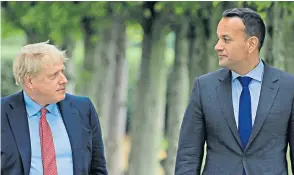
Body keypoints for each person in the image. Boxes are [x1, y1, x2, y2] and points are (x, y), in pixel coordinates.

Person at [175, 8, 294, 175]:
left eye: (226, 39)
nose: (217, 46)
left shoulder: (288, 87)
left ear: (251, 44)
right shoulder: (204, 87)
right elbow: (188, 155)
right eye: (218, 39)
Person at [1, 41, 108, 175]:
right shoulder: (3, 112)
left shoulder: (83, 108)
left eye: (62, 71)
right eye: (54, 75)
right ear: (30, 81)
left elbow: (97, 168)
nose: (64, 80)